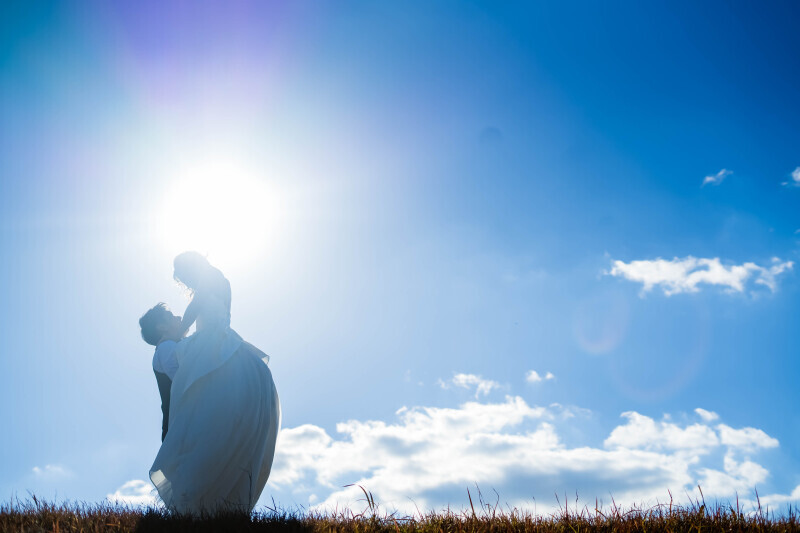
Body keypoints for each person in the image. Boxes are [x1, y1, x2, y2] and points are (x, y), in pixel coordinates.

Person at [149, 252, 281, 515]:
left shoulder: (209, 279)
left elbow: (192, 313)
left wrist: (176, 331)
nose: (186, 282)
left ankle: (198, 500)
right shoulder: (221, 280)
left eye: (184, 276)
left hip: (210, 341)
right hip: (224, 339)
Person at [138, 304, 184, 441]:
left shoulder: (172, 346)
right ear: (162, 327)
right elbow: (184, 379)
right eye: (171, 316)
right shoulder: (165, 348)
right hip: (178, 432)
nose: (179, 317)